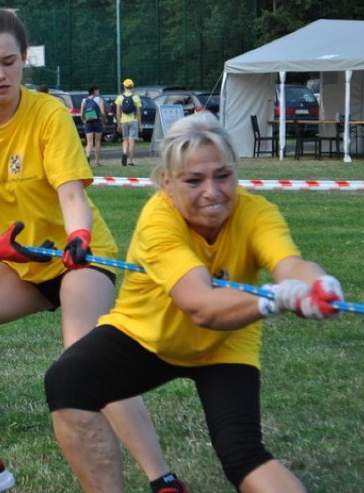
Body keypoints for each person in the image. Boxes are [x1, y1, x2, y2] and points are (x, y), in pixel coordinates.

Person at [0, 8, 185, 493]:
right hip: (23, 261)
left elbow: (72, 195)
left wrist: (78, 237)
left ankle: (162, 480)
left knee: (85, 363)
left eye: (9, 62)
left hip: (80, 255)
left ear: (23, 62)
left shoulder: (48, 113)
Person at [45, 112, 344, 492]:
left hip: (224, 345)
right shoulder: (158, 220)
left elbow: (291, 264)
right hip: (146, 336)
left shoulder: (256, 212)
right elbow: (199, 304)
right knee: (68, 383)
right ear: (167, 184)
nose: (212, 192)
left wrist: (317, 284)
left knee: (243, 454)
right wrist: (274, 300)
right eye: (193, 180)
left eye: (223, 176)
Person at [114, 78, 141, 166]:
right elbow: (138, 112)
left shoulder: (120, 97)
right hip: (133, 121)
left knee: (125, 139)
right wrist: (140, 124)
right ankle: (131, 161)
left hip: (124, 121)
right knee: (132, 140)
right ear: (132, 86)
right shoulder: (136, 97)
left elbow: (118, 112)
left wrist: (118, 124)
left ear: (124, 87)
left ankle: (124, 153)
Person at [82, 85, 105, 166]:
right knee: (97, 141)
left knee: (89, 142)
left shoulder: (84, 100)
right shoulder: (99, 99)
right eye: (98, 90)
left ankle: (87, 156)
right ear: (95, 91)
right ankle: (97, 161)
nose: (98, 92)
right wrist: (105, 119)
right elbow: (102, 112)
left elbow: (82, 113)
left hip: (88, 122)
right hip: (97, 121)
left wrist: (84, 121)